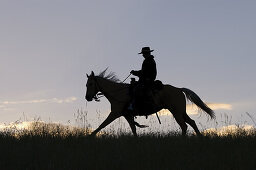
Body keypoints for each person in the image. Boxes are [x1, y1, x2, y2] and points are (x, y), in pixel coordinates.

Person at [128, 47, 157, 112]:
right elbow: (143, 72)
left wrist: (135, 73)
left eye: (144, 53)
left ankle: (135, 106)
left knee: (136, 89)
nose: (143, 55)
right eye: (143, 53)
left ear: (147, 53)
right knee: (133, 87)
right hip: (146, 79)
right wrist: (135, 72)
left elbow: (144, 73)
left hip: (148, 80)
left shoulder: (148, 60)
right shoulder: (148, 60)